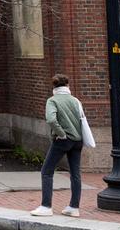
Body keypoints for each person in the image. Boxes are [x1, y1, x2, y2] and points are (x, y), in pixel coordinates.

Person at [30, 74, 85, 217]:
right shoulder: (75, 100)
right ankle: (74, 207)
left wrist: (61, 134)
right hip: (78, 140)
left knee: (47, 171)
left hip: (63, 140)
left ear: (54, 86)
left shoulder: (52, 101)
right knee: (75, 174)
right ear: (67, 85)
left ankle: (46, 206)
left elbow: (51, 119)